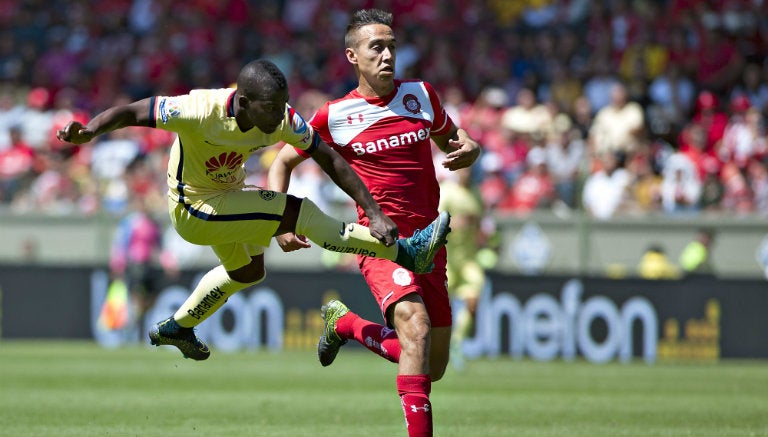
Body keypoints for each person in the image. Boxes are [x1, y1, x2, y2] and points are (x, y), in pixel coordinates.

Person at [56, 59, 451, 361]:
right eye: (270, 107)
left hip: (225, 198)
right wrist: (90, 131)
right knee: (298, 212)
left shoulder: (281, 116)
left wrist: (372, 209)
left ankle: (178, 327)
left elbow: (327, 157)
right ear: (243, 102)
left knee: (249, 271)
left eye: (283, 103)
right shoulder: (198, 109)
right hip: (195, 207)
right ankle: (405, 252)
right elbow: (134, 112)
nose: (280, 114)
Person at [267, 10, 480, 437]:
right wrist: (281, 221)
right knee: (415, 329)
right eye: (376, 47)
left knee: (431, 366)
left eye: (392, 46)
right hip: (382, 240)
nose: (387, 55)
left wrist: (470, 148)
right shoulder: (336, 114)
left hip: (431, 243)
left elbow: (456, 140)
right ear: (352, 56)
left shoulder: (421, 94)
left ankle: (345, 324)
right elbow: (282, 161)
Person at [438, 166, 489, 371]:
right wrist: (458, 222)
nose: (466, 173)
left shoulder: (477, 193)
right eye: (463, 169)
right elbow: (436, 221)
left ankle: (456, 343)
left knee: (473, 300)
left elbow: (480, 224)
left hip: (468, 259)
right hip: (447, 259)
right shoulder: (447, 191)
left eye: (470, 169)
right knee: (441, 308)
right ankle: (435, 347)